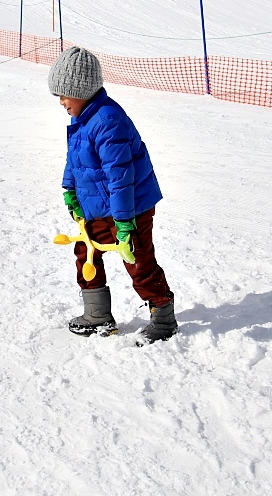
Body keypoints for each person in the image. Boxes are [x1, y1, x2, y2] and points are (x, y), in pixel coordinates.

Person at [49, 47, 178, 343]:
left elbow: (121, 177)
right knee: (87, 250)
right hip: (100, 206)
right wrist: (69, 189)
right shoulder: (82, 120)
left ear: (81, 90)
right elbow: (76, 159)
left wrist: (123, 221)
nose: (62, 102)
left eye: (65, 94)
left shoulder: (108, 121)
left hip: (129, 207)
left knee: (137, 258)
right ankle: (97, 315)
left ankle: (163, 318)